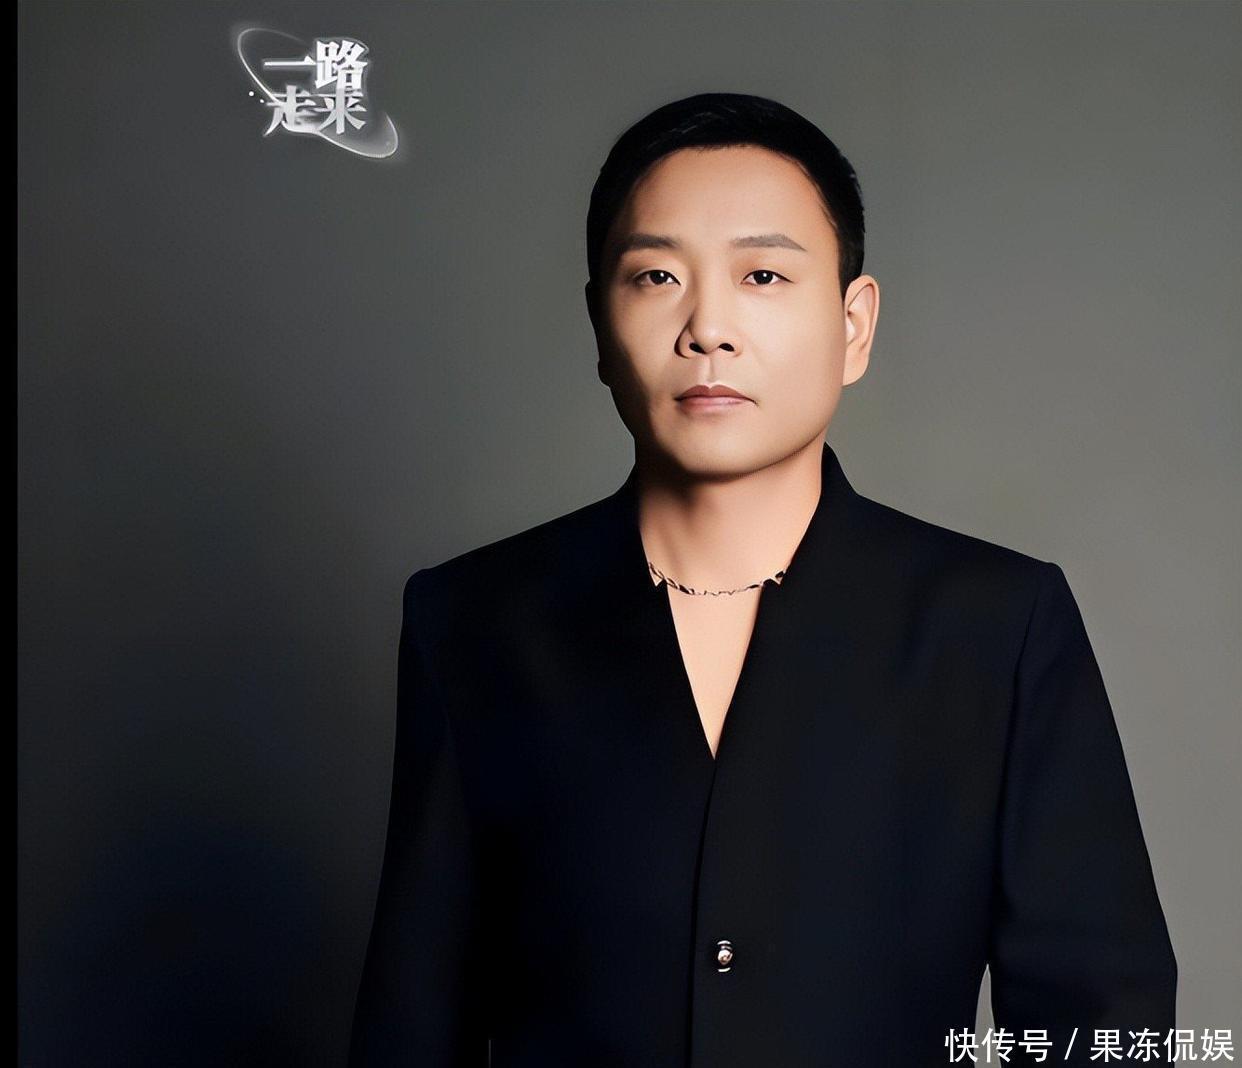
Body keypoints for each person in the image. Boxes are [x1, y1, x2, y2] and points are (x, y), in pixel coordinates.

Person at [347, 92, 1176, 1067]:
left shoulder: (996, 624)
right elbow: (414, 1024)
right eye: (657, 275)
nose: (709, 328)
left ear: (853, 326)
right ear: (600, 323)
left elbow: (1104, 1022)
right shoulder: (473, 621)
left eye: (763, 275)